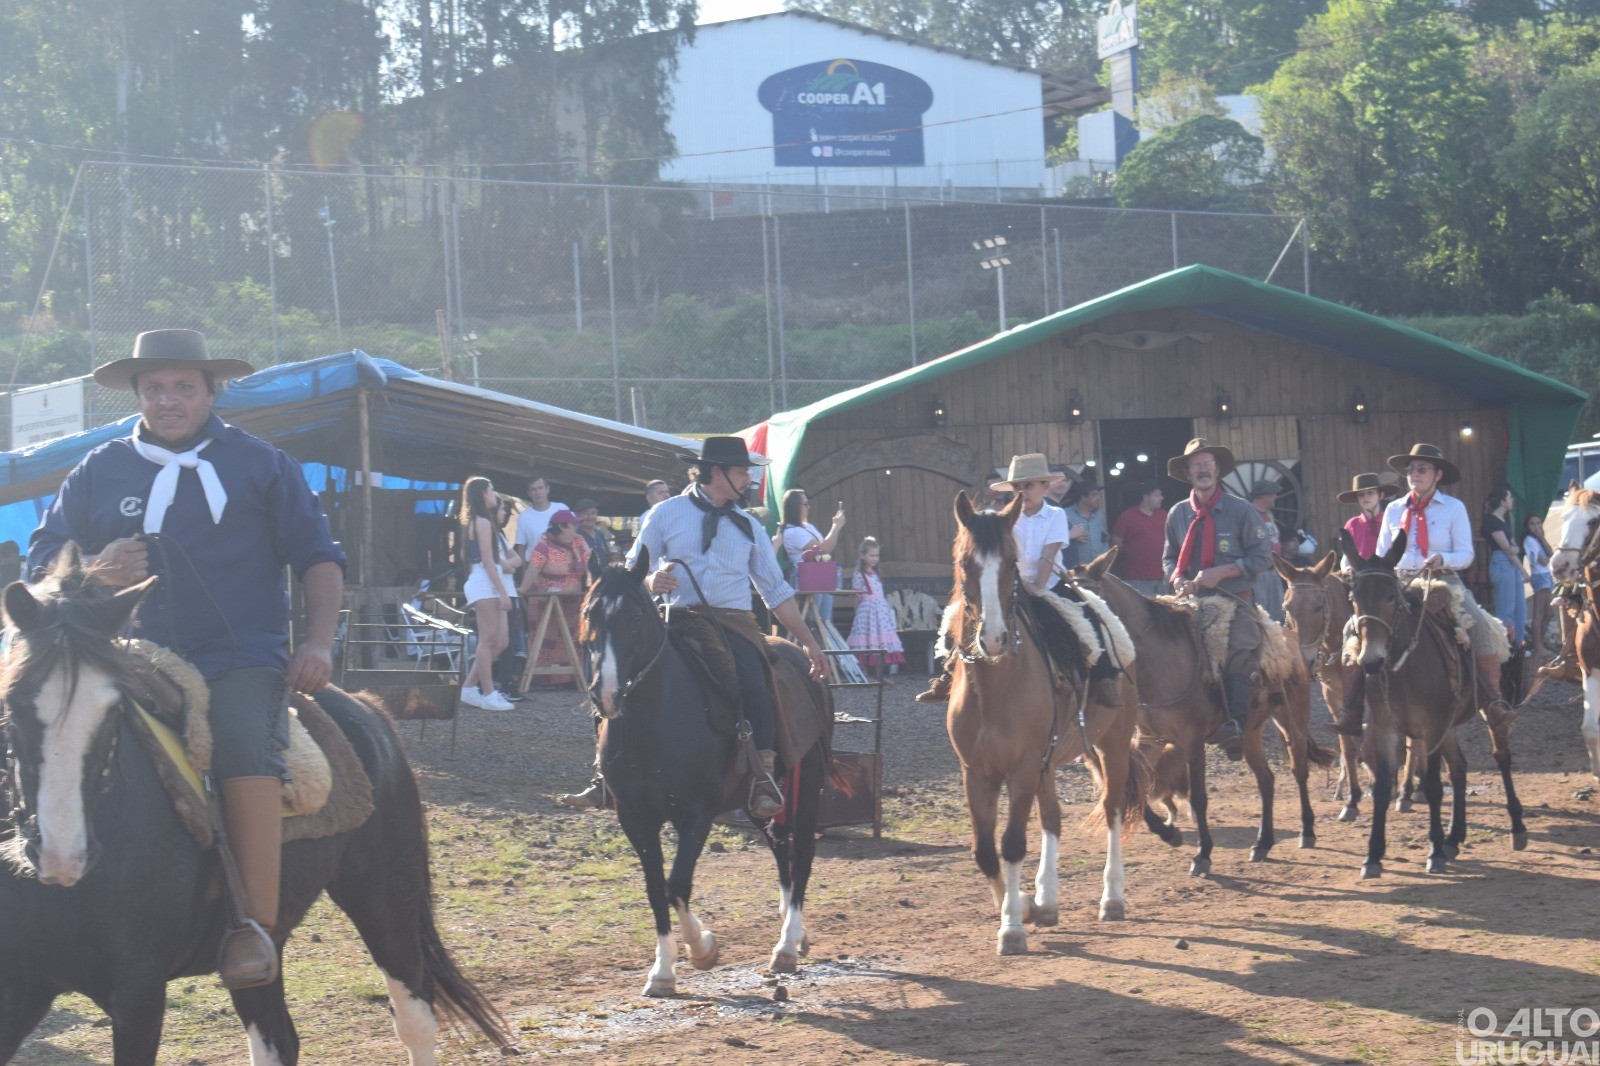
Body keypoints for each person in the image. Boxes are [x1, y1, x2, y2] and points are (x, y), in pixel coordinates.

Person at [27, 329, 346, 990]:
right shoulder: (98, 469)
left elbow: (318, 557)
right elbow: (38, 564)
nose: (167, 400)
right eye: (154, 389)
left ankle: (251, 928)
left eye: (182, 388)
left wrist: (317, 643)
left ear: (210, 391)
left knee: (236, 746)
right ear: (137, 394)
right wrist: (89, 569)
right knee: (43, 726)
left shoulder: (264, 466)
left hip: (240, 660)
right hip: (129, 657)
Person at [560, 436, 827, 816]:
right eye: (741, 473)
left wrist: (809, 642)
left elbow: (776, 591)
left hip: (733, 624)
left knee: (755, 681)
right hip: (675, 618)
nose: (748, 481)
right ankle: (605, 774)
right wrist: (654, 581)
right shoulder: (665, 514)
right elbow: (637, 567)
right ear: (716, 473)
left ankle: (763, 775)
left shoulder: (750, 526)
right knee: (615, 672)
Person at [1333, 442, 1516, 736]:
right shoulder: (1394, 509)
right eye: (1410, 470)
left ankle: (1492, 701)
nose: (1414, 474)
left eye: (1422, 469)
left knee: (1480, 625)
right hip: (1401, 581)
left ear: (1437, 474)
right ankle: (1352, 711)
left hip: (1444, 580)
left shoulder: (1454, 508)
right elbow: (1382, 554)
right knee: (1351, 630)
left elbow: (1467, 554)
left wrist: (1444, 558)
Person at [917, 453, 1122, 707]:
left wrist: (1036, 586)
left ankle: (1103, 679)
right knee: (954, 618)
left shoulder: (1055, 515)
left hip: (1048, 584)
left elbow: (1048, 556)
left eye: (1029, 486)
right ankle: (948, 674)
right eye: (1017, 487)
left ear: (1044, 487)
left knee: (1087, 619)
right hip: (1009, 583)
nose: (1023, 492)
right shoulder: (1001, 518)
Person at [1162, 438, 1272, 758]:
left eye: (1208, 464)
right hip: (1191, 601)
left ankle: (1236, 724)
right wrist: (1178, 577)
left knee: (1238, 647)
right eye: (1196, 466)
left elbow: (1262, 556)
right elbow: (1169, 558)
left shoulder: (1242, 510)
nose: (1203, 470)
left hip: (1235, 597)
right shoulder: (1178, 513)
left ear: (1218, 469)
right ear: (1187, 472)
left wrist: (1222, 572)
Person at [458, 477, 516, 711]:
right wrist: (502, 593)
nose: (494, 495)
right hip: (484, 583)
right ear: (482, 494)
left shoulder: (483, 522)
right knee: (487, 640)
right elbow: (487, 561)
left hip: (487, 582)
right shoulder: (480, 522)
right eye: (491, 490)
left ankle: (470, 687)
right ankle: (489, 692)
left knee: (501, 641)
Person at [520, 509, 590, 685]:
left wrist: (593, 586)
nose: (575, 529)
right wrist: (522, 588)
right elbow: (534, 567)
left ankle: (572, 680)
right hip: (545, 605)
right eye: (572, 525)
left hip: (573, 605)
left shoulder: (579, 542)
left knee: (573, 640)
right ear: (562, 527)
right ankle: (544, 681)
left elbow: (590, 566)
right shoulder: (543, 544)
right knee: (546, 643)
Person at [779, 487, 845, 624]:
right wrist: (836, 526)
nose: (809, 507)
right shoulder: (792, 532)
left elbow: (827, 547)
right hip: (805, 579)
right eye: (805, 504)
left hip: (820, 576)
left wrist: (836, 528)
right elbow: (824, 548)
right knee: (812, 622)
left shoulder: (807, 527)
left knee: (825, 621)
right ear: (795, 507)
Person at [846, 536, 905, 673]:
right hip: (867, 612)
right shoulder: (859, 574)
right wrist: (857, 611)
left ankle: (879, 672)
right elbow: (857, 595)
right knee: (867, 639)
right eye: (871, 555)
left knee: (879, 638)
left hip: (880, 612)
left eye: (876, 555)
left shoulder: (876, 573)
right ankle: (865, 671)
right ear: (862, 556)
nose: (874, 558)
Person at [493, 496, 528, 701]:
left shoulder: (500, 535)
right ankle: (488, 684)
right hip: (500, 593)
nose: (505, 514)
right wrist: (508, 563)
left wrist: (509, 563)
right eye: (502, 509)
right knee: (499, 642)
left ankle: (504, 684)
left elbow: (516, 559)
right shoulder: (489, 533)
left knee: (509, 643)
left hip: (509, 591)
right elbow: (503, 563)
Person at [1482, 486, 1526, 651]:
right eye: (1509, 498)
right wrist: (1523, 569)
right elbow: (1507, 550)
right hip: (1502, 563)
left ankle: (1519, 646)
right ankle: (1505, 648)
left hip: (1510, 564)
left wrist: (1514, 550)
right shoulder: (1491, 521)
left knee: (1520, 609)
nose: (1512, 500)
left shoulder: (1504, 521)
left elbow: (1514, 547)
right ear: (1502, 501)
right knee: (1506, 610)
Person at [1111, 480, 1167, 595]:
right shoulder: (1127, 517)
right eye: (1157, 495)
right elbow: (1116, 544)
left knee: (1165, 610)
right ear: (1146, 497)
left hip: (1163, 575)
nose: (1161, 498)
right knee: (1142, 610)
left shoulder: (1165, 515)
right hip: (1137, 576)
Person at [1338, 472, 1402, 566]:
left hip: (1388, 573)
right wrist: (1346, 568)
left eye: (1370, 493)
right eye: (1361, 494)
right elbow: (1347, 556)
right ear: (1357, 499)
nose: (1365, 497)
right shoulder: (1352, 524)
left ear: (1380, 495)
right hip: (1361, 575)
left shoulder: (1390, 520)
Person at [1249, 482, 1287, 622]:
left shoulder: (1268, 515)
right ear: (1262, 497)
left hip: (1273, 570)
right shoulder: (1250, 514)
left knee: (1278, 613)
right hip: (1259, 573)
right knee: (1262, 613)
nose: (1275, 497)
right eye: (1272, 494)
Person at [513, 474, 569, 556]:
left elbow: (573, 535)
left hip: (561, 563)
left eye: (540, 488)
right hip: (534, 566)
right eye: (533, 489)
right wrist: (524, 569)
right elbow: (521, 547)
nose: (538, 492)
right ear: (529, 493)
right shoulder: (524, 517)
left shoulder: (562, 508)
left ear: (547, 489)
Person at [1524, 513, 1555, 662]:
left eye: (1538, 523)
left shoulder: (1538, 540)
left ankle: (1540, 643)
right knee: (1539, 613)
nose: (1536, 527)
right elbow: (1543, 561)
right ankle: (1538, 647)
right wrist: (1552, 560)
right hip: (1539, 576)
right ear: (1527, 527)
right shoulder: (1529, 541)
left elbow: (1551, 552)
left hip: (1547, 576)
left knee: (1549, 613)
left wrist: (1542, 537)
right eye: (1532, 524)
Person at [1062, 477, 1109, 570]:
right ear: (1083, 498)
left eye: (1098, 494)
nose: (1098, 498)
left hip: (1098, 569)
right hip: (1075, 569)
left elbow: (1105, 538)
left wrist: (1105, 558)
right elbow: (1055, 540)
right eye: (1094, 495)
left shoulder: (1100, 515)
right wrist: (1072, 536)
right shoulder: (1065, 514)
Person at [573, 497, 617, 582]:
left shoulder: (599, 534)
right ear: (577, 515)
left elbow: (606, 556)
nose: (590, 517)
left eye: (593, 513)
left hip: (603, 581)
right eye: (585, 513)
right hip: (584, 582)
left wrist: (612, 557)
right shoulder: (575, 536)